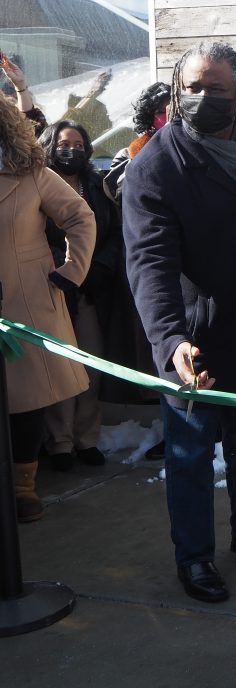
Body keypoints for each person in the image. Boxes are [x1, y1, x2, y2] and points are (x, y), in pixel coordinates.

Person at [122, 41, 236, 604]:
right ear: (177, 93)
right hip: (190, 338)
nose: (202, 99)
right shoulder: (155, 165)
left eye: (216, 89)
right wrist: (170, 338)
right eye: (193, 88)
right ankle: (195, 556)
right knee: (191, 455)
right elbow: (149, 263)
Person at [0, 96, 95, 521]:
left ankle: (23, 488)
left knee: (24, 403)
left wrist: (69, 272)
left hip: (24, 306)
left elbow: (80, 217)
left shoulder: (31, 172)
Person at [38, 121, 120, 470]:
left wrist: (94, 269)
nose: (70, 150)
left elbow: (115, 235)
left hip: (92, 294)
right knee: (59, 368)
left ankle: (87, 440)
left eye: (77, 144)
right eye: (62, 143)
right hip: (53, 289)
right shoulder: (38, 185)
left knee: (91, 368)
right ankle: (60, 443)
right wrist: (64, 268)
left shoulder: (97, 188)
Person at [103, 81, 172, 460]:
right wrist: (157, 150)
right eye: (163, 109)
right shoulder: (133, 154)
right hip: (154, 271)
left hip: (197, 274)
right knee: (163, 356)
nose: (170, 116)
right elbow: (119, 188)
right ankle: (174, 430)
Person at [104, 81, 171, 204]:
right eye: (161, 112)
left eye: (172, 110)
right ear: (149, 117)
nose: (168, 117)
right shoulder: (129, 155)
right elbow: (121, 194)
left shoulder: (192, 147)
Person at [1, 51, 48, 135]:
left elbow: (31, 122)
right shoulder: (3, 93)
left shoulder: (27, 94)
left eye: (14, 68)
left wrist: (21, 87)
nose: (12, 72)